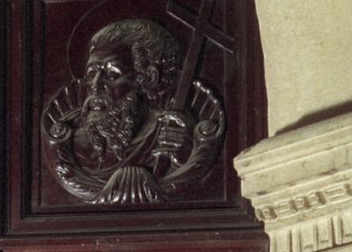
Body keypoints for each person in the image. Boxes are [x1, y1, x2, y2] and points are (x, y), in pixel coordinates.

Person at [41, 17, 224, 206]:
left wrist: (183, 159)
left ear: (148, 78)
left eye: (112, 74)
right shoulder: (74, 144)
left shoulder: (173, 137)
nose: (95, 86)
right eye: (91, 74)